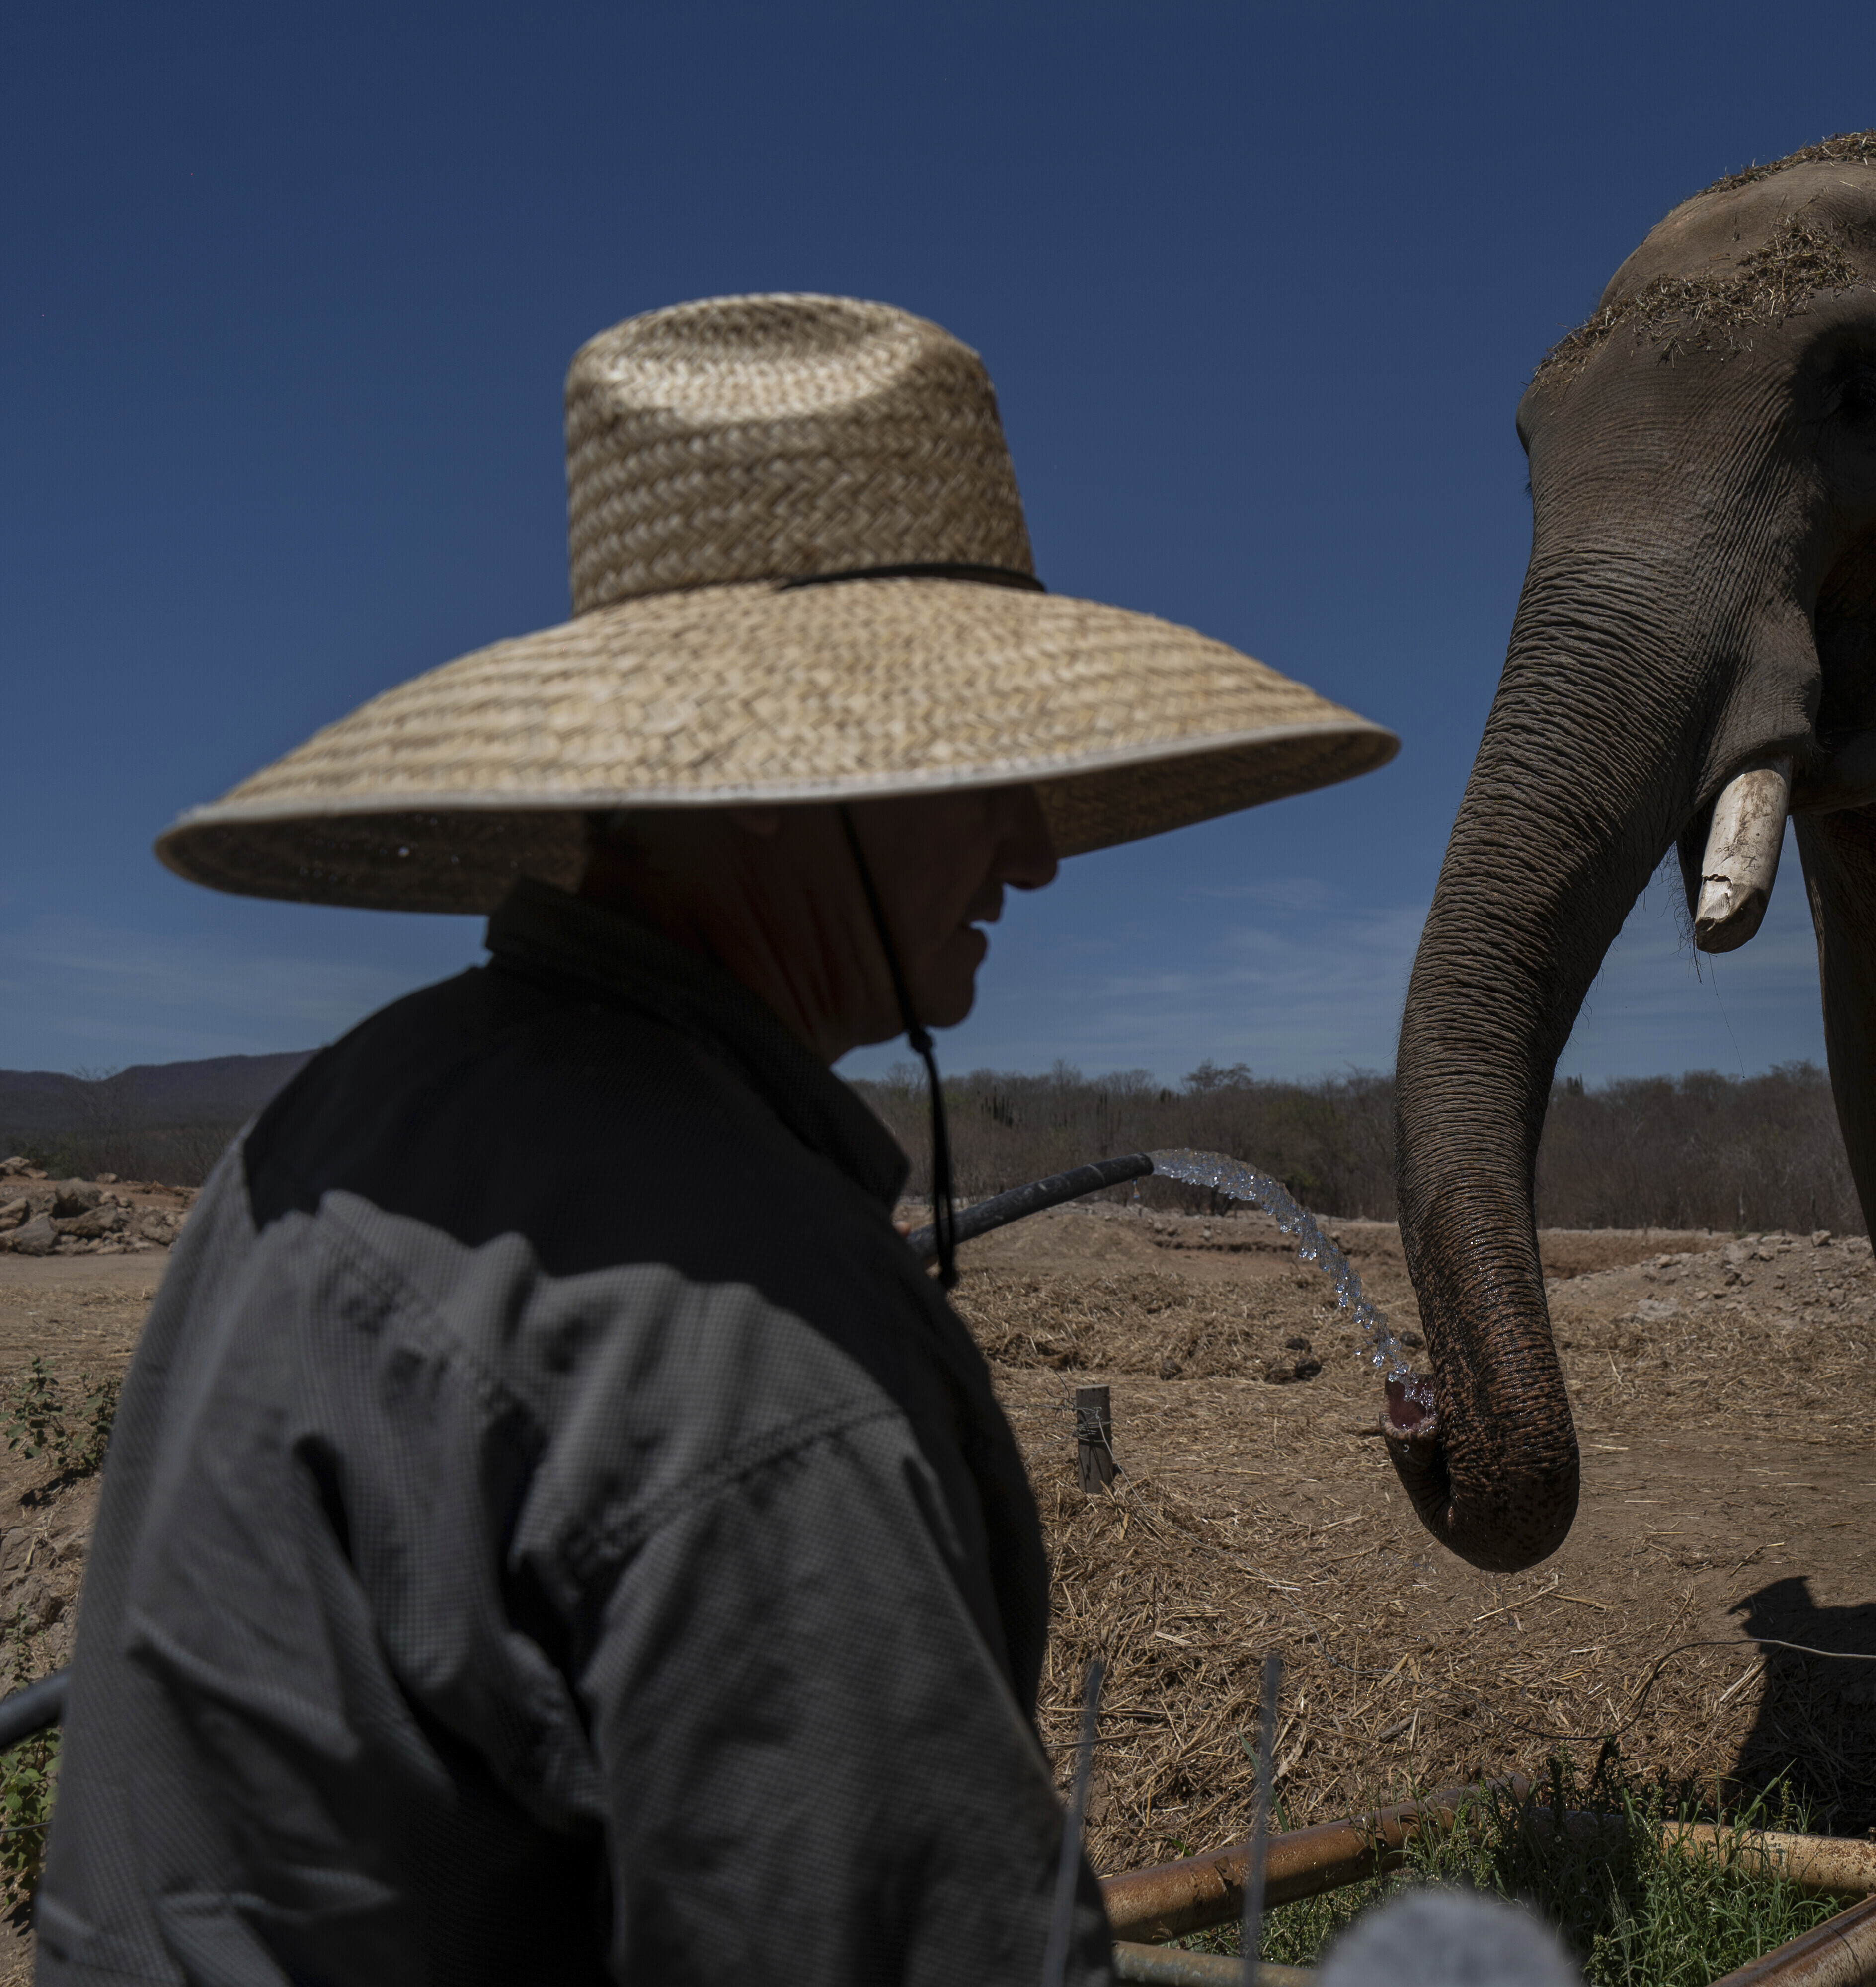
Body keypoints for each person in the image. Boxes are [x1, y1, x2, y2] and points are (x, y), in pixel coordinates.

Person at [39, 294, 1395, 1985]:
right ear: (767, 771)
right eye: (980, 760)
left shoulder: (349, 1114)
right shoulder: (752, 1342)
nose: (1039, 845)